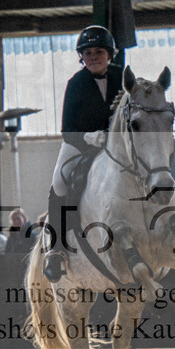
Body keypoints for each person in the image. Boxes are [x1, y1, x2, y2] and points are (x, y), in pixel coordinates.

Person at [43, 24, 124, 282]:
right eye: (87, 53)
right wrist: (89, 137)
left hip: (115, 144)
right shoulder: (76, 83)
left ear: (109, 54)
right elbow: (67, 129)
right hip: (79, 142)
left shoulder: (122, 77)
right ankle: (56, 249)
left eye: (98, 51)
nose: (93, 57)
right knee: (60, 180)